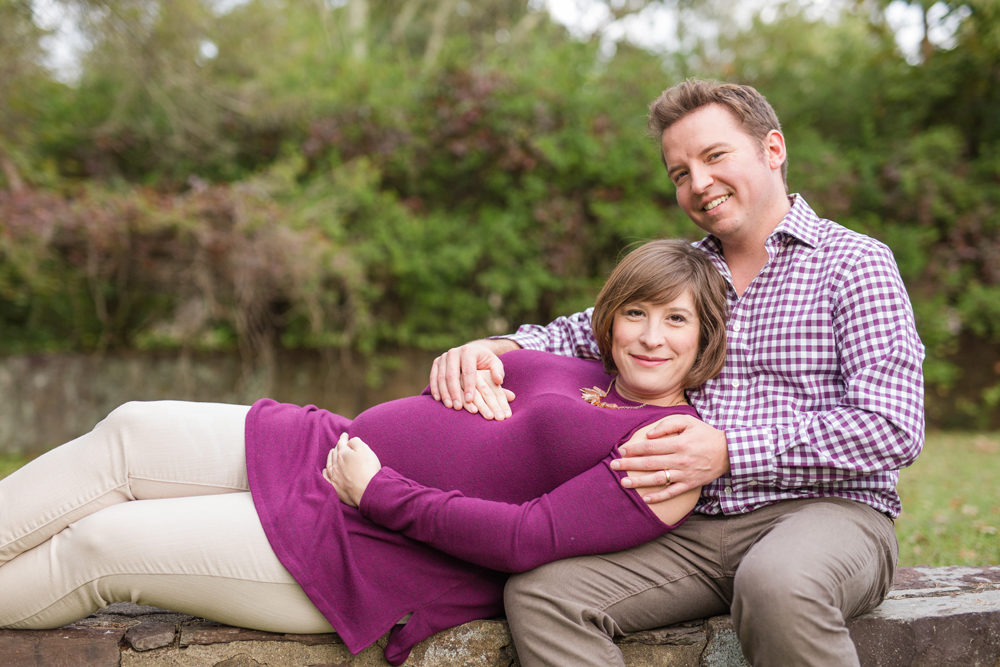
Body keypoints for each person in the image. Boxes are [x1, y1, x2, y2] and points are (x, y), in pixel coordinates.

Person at [0, 240, 728, 666]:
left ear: (703, 339)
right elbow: (471, 409)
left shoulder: (670, 449)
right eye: (636, 312)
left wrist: (379, 490)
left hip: (366, 541)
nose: (651, 336)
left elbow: (527, 537)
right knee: (130, 431)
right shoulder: (583, 368)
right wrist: (467, 364)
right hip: (325, 446)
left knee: (100, 545)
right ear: (611, 315)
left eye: (674, 320)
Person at [430, 79, 926, 665]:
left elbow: (893, 427)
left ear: (773, 150)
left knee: (778, 583)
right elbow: (588, 329)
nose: (699, 183)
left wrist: (729, 451)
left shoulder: (854, 265)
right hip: (687, 526)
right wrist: (492, 345)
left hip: (825, 513)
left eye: (714, 156)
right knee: (545, 593)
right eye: (680, 173)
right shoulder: (689, 273)